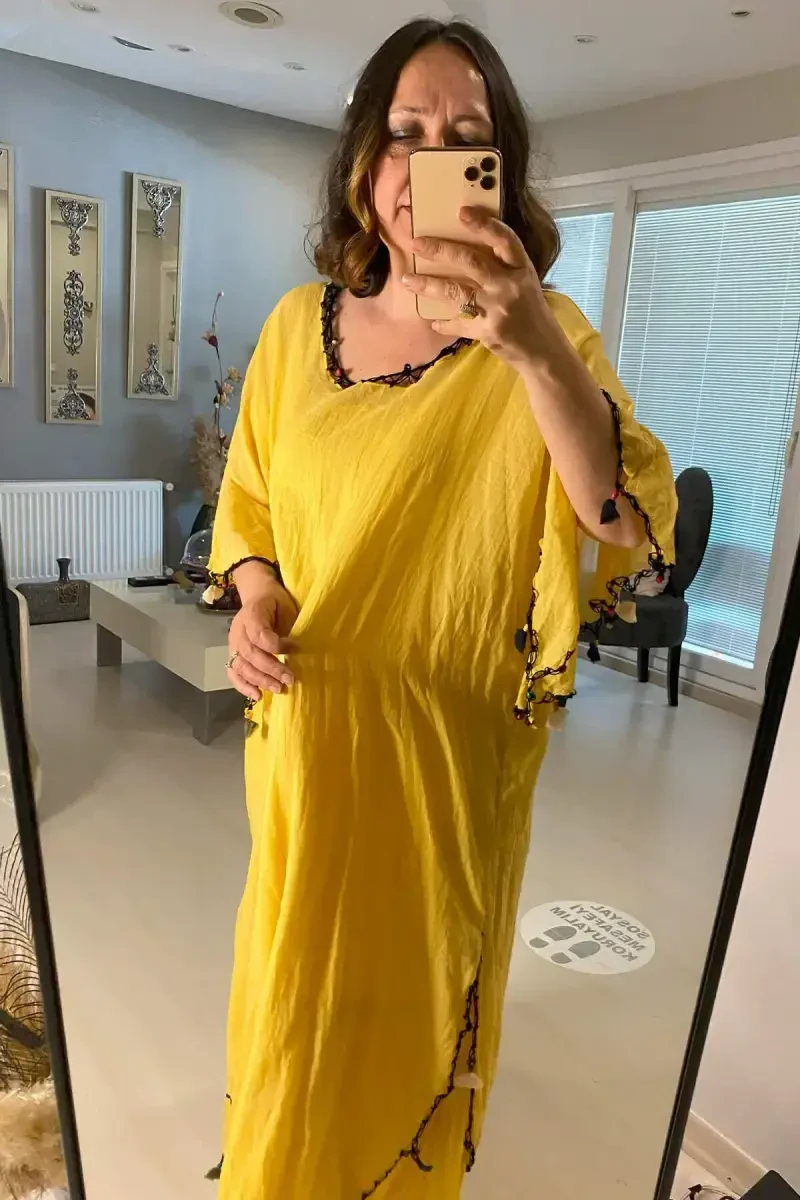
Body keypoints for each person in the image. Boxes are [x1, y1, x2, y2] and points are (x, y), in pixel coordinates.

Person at [207, 18, 676, 1199]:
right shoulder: (292, 329)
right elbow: (249, 503)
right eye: (404, 133)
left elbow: (624, 522)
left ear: (497, 173)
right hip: (304, 751)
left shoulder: (550, 337)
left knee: (409, 1015)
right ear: (364, 165)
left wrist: (532, 351)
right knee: (289, 1014)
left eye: (463, 136)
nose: (428, 160)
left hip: (442, 769)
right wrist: (253, 601)